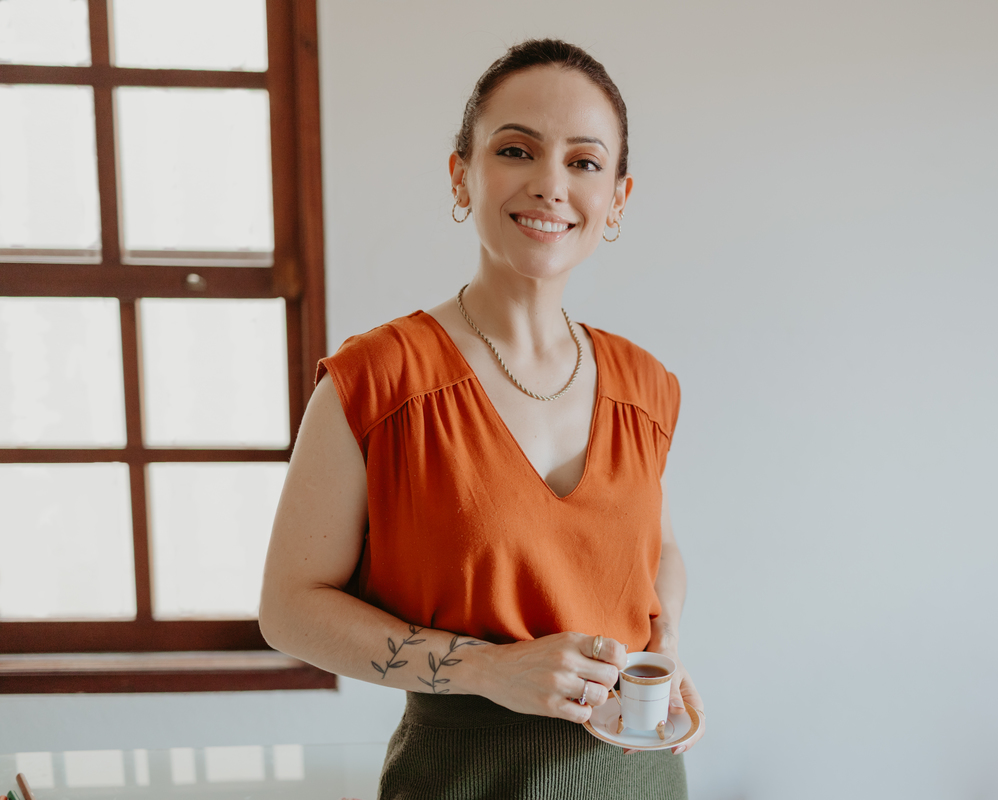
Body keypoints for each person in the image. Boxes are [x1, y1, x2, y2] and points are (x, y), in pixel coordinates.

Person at [259, 38, 704, 799]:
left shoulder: (647, 386)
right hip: (463, 778)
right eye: (515, 149)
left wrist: (657, 643)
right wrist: (490, 669)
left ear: (618, 198)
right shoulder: (375, 381)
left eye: (584, 162)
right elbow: (289, 612)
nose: (549, 184)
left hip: (637, 777)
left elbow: (653, 553)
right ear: (461, 173)